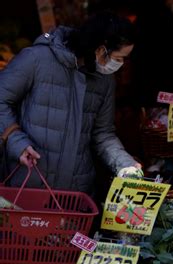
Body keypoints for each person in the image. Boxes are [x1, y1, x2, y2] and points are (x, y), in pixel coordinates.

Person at [0, 12, 142, 195]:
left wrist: (124, 163)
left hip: (76, 191)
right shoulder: (37, 59)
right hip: (27, 184)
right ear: (101, 49)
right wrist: (16, 142)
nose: (121, 65)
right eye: (118, 58)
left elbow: (103, 133)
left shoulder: (105, 81)